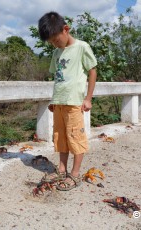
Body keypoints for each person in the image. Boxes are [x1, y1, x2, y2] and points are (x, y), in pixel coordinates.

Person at [38, 11, 97, 191]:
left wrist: (88, 98)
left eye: (56, 40)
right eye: (51, 42)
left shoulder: (81, 47)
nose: (55, 44)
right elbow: (59, 78)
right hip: (60, 103)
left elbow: (92, 70)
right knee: (61, 138)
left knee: (76, 138)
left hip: (74, 103)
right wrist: (54, 100)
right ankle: (62, 170)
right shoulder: (57, 53)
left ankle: (75, 174)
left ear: (66, 29)